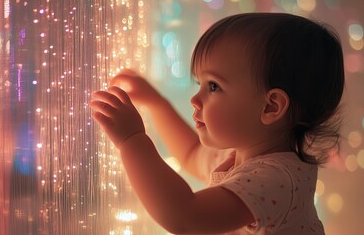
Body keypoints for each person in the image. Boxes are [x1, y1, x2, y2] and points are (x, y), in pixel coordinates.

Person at [89, 13, 344, 234]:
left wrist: (132, 140)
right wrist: (156, 103)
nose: (195, 99)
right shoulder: (240, 154)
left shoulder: (277, 179)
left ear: (271, 107)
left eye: (213, 86)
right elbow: (189, 153)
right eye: (199, 83)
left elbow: (183, 215)